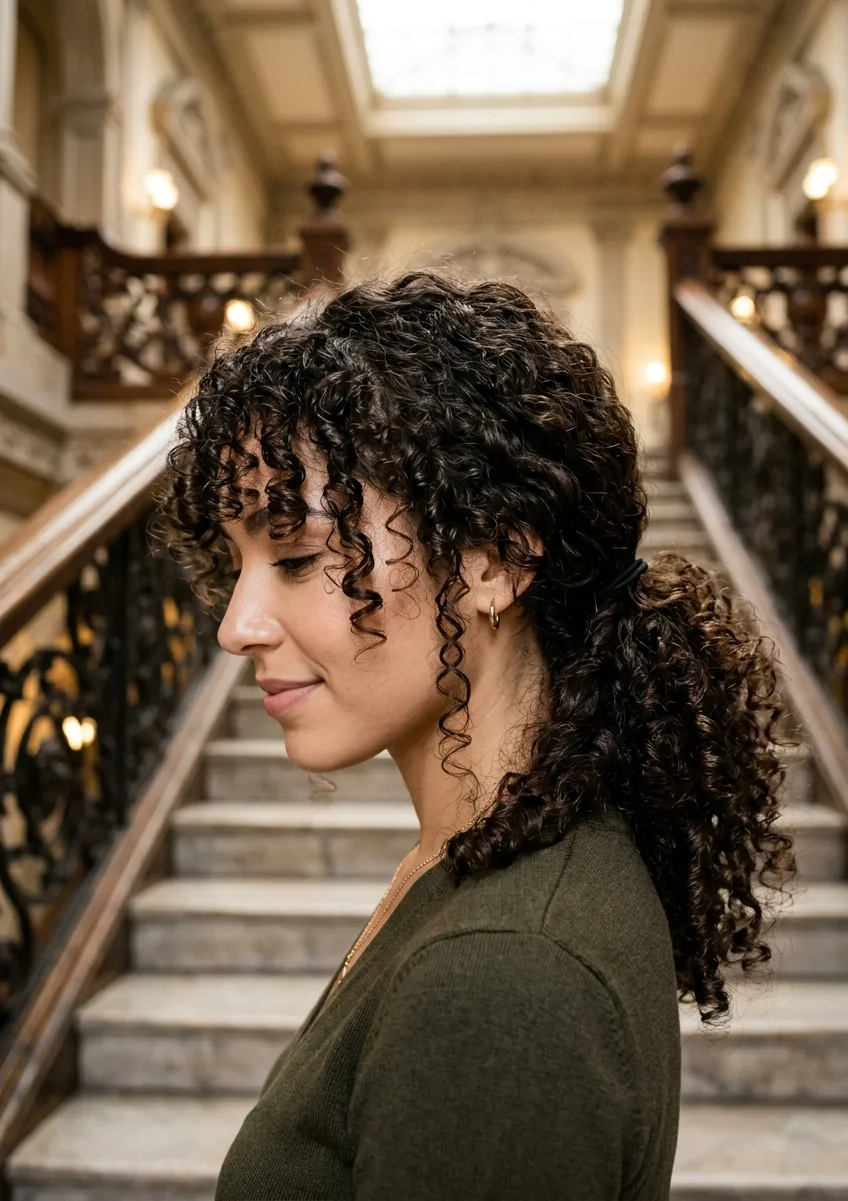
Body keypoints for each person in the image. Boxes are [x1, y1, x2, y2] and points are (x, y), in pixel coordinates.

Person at [159, 271, 795, 1200]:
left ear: (495, 559)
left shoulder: (505, 974)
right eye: (237, 562)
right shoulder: (482, 853)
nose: (236, 626)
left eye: (294, 555)